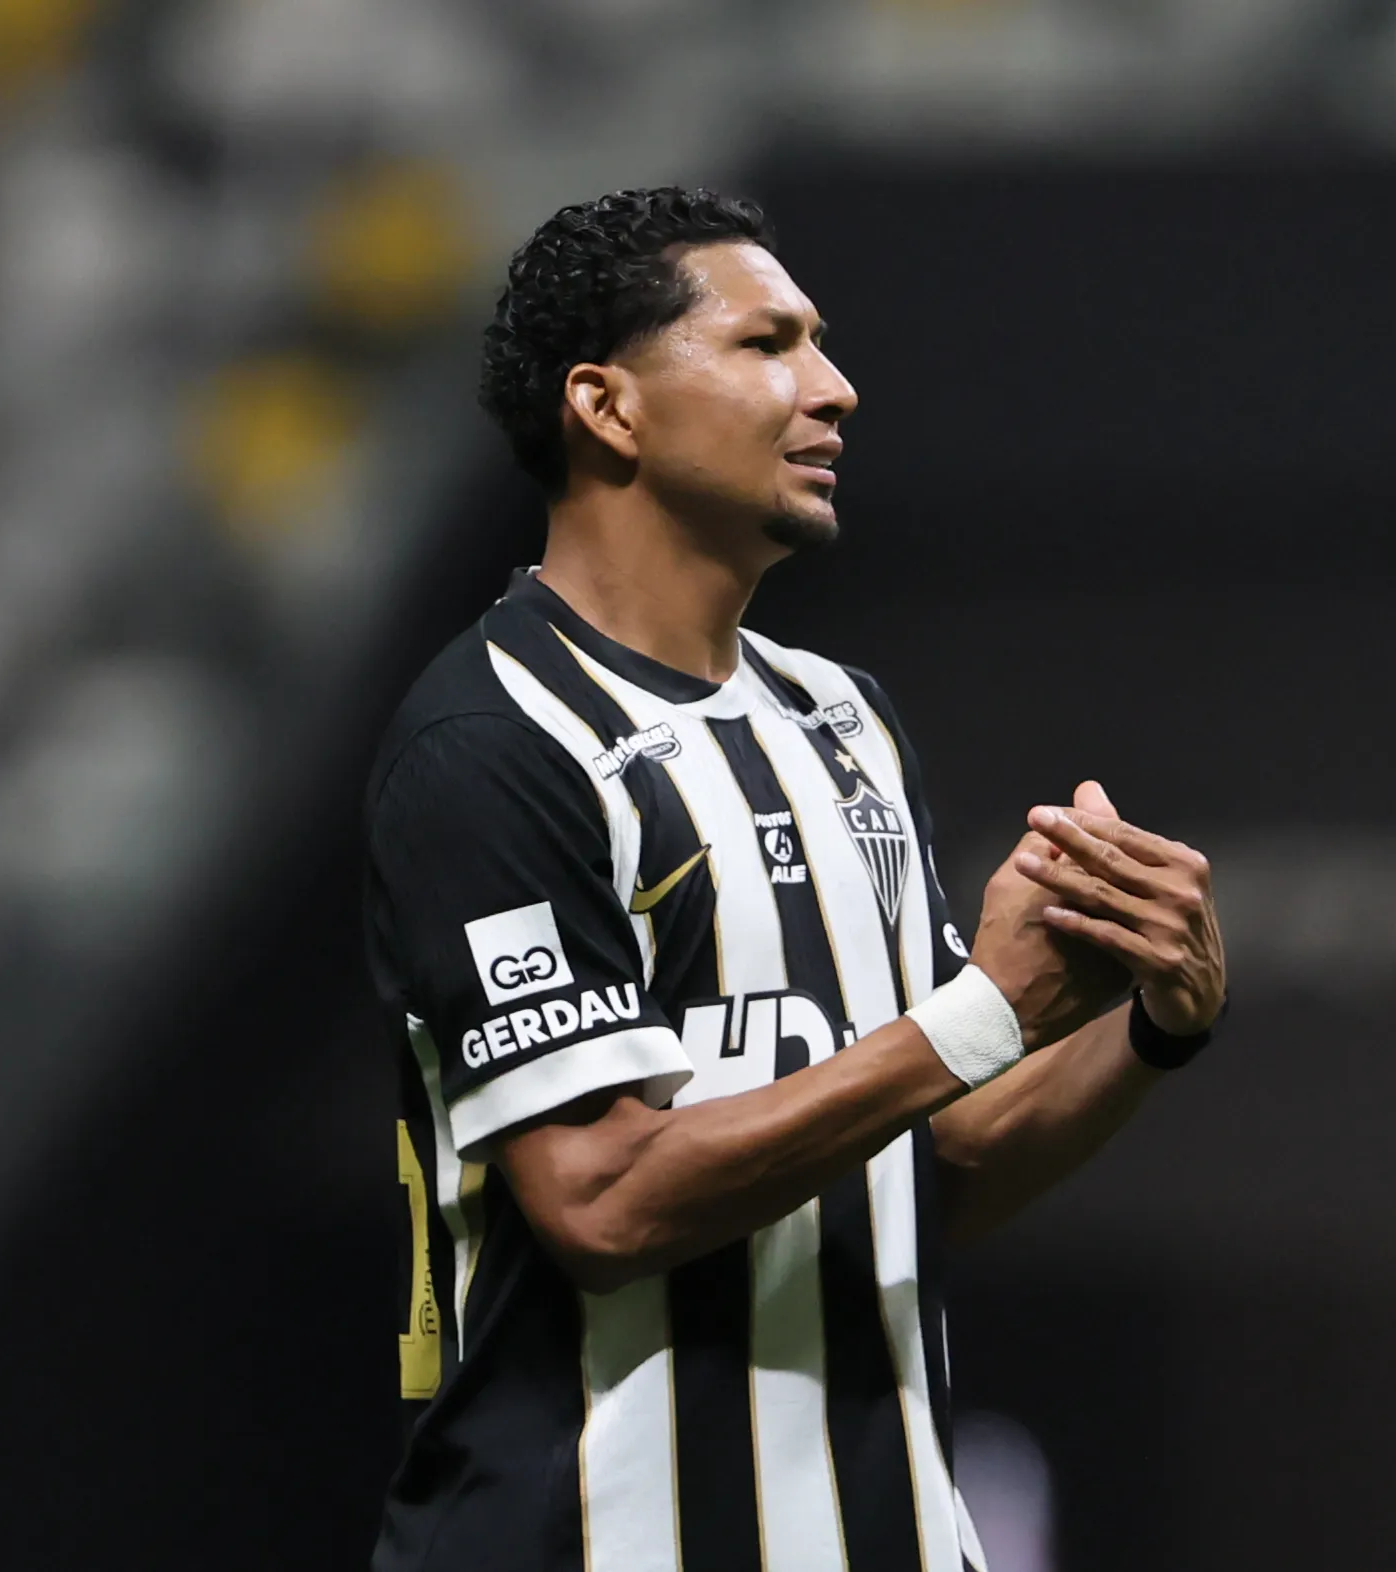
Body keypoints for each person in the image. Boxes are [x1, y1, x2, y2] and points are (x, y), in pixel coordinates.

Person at [365, 187, 1228, 1572]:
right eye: (769, 344)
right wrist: (982, 1018)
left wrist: (1149, 1028)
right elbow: (600, 1198)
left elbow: (926, 1172)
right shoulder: (495, 741)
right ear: (608, 406)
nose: (835, 388)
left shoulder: (842, 718)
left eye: (819, 344)